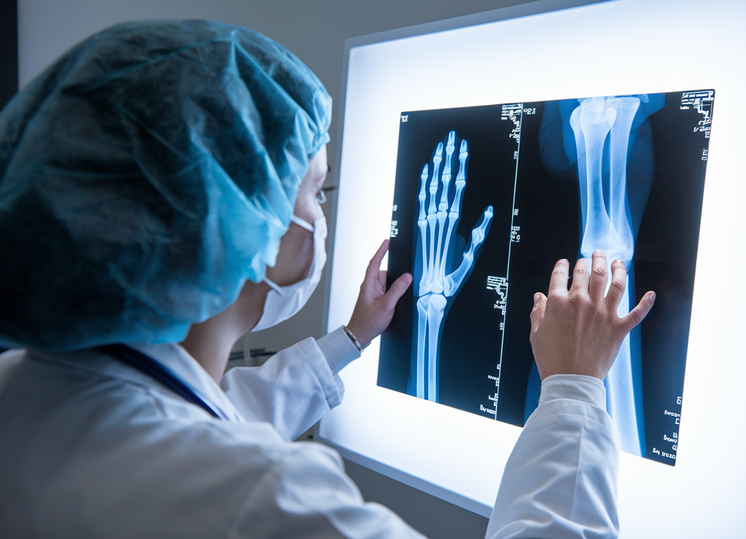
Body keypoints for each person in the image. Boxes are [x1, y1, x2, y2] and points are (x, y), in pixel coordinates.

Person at [0, 20, 655, 538]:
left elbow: (192, 420)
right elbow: (209, 460)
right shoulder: (264, 502)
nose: (323, 214)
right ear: (240, 227)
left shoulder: (24, 387)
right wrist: (575, 389)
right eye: (315, 189)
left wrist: (350, 337)